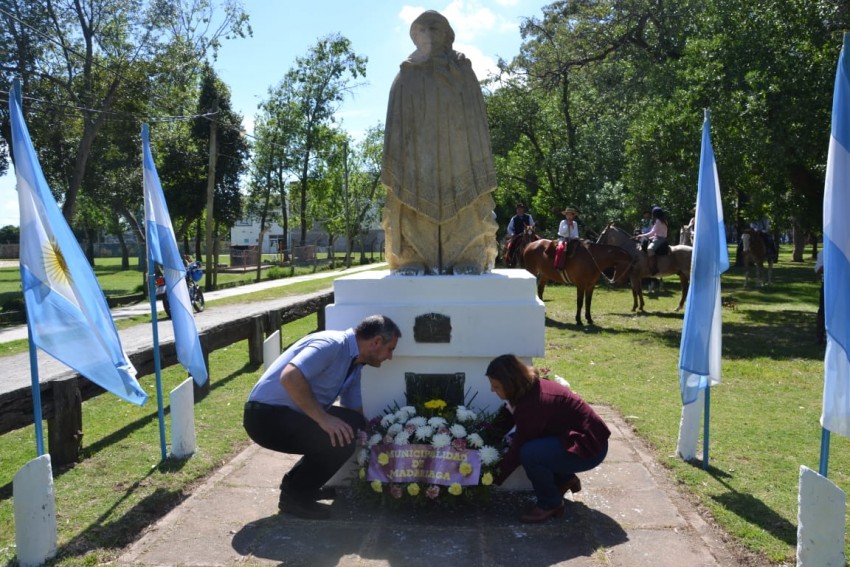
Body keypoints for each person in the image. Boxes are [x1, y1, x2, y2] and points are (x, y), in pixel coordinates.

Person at [243, 315, 402, 520]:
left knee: (352, 427)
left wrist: (377, 440)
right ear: (377, 341)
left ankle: (299, 486)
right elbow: (290, 377)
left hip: (288, 414)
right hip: (265, 417)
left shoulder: (355, 363)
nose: (390, 357)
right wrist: (324, 420)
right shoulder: (331, 344)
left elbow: (353, 411)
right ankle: (294, 498)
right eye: (390, 349)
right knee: (339, 438)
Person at [382, 10, 498, 275]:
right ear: (414, 37)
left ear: (447, 35)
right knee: (411, 202)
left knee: (465, 202)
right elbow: (395, 127)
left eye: (434, 29)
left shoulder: (463, 72)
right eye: (421, 30)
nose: (428, 35)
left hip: (459, 154)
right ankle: (412, 257)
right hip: (418, 158)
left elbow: (476, 118)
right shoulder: (406, 75)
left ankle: (469, 254)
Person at [486, 354, 610, 524]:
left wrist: (492, 478)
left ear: (510, 384)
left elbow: (518, 449)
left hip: (590, 449)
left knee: (530, 454)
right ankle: (566, 479)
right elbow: (506, 417)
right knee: (538, 448)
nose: (492, 390)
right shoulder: (525, 389)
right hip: (573, 441)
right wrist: (481, 439)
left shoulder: (534, 403)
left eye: (496, 386)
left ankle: (549, 504)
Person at [635, 206, 668, 275]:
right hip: (657, 237)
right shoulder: (663, 220)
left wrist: (641, 235)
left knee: (650, 249)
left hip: (659, 239)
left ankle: (654, 268)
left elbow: (651, 233)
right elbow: (656, 233)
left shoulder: (658, 221)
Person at [815, 250, 825, 344]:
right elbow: (817, 270)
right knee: (822, 310)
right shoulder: (823, 253)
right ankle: (819, 336)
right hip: (827, 284)